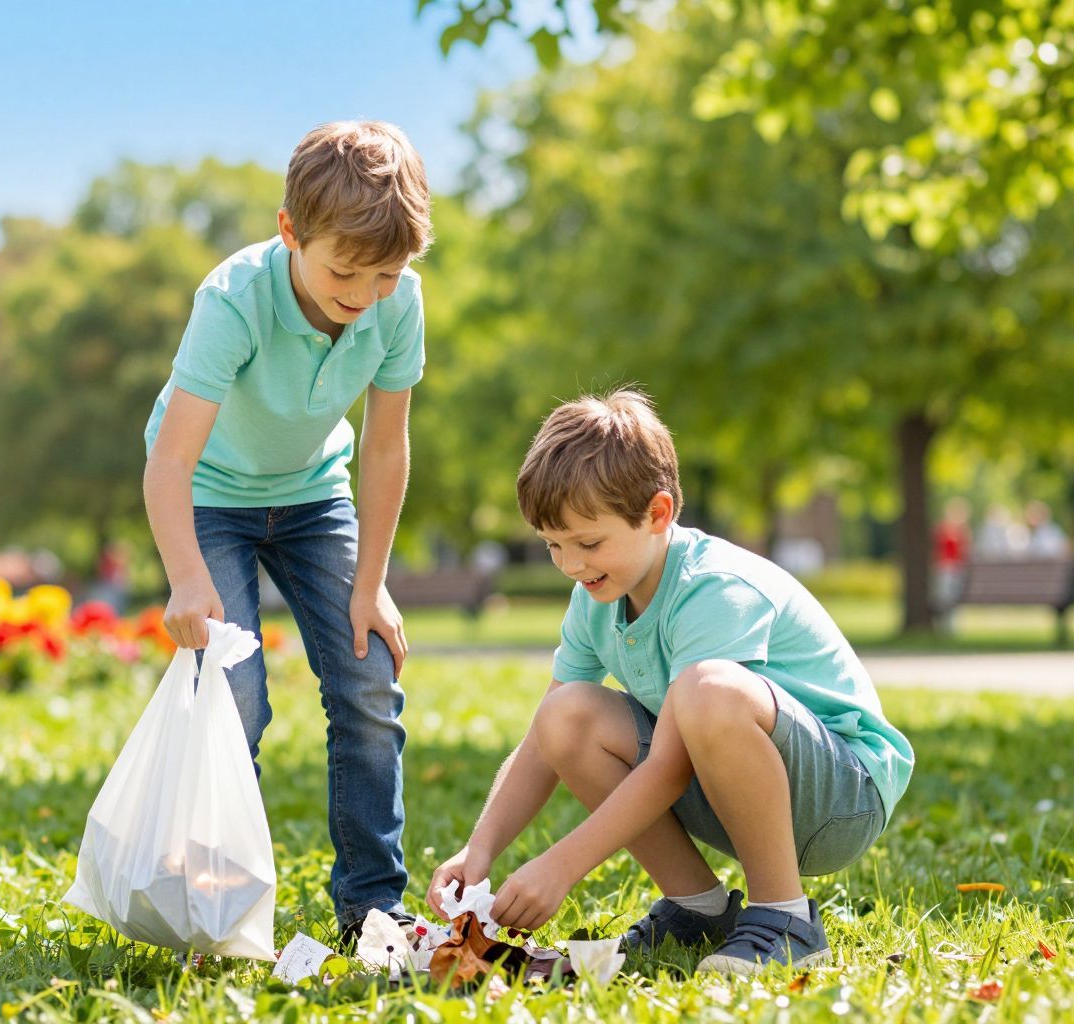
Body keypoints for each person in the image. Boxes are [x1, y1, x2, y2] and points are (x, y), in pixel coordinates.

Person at [427, 390, 914, 975]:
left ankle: (786, 919)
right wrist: (479, 850)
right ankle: (698, 909)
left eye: (588, 543)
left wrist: (562, 864)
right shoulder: (597, 594)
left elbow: (669, 766)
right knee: (565, 716)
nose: (571, 565)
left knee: (708, 691)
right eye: (553, 545)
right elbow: (543, 741)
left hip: (838, 800)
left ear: (658, 514)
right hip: (734, 787)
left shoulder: (714, 588)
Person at [143, 121, 431, 941]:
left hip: (312, 495)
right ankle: (218, 902)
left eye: (385, 273)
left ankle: (373, 906)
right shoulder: (233, 301)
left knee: (368, 678)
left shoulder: (397, 302)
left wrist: (370, 586)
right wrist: (189, 578)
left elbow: (384, 448)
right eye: (344, 268)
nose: (364, 291)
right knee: (234, 696)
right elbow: (169, 464)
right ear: (289, 232)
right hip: (210, 495)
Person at [932, 496, 972, 629]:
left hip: (953, 570)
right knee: (945, 595)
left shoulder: (960, 531)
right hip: (946, 569)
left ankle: (949, 624)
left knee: (949, 594)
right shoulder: (945, 529)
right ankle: (944, 623)